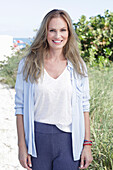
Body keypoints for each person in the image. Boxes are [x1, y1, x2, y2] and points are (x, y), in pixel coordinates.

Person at [15, 9, 93, 170]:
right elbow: (20, 108)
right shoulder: (28, 64)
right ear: (45, 33)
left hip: (69, 143)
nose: (58, 36)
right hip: (37, 140)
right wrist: (22, 147)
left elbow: (85, 107)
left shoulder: (78, 66)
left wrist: (87, 145)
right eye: (52, 30)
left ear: (69, 33)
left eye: (63, 30)